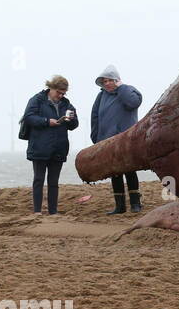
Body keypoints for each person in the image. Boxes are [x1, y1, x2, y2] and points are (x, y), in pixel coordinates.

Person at [90, 65, 144, 214]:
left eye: (110, 80)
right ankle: (119, 206)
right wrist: (96, 137)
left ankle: (135, 204)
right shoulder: (101, 96)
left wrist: (121, 88)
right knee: (115, 172)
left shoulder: (128, 91)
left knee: (129, 170)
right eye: (104, 81)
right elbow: (95, 117)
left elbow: (133, 103)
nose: (107, 83)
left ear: (116, 80)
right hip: (108, 140)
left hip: (127, 140)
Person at [23, 76, 80, 215]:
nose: (60, 96)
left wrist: (71, 120)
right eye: (58, 92)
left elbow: (74, 125)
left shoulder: (67, 104)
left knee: (54, 182)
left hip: (59, 148)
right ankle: (37, 211)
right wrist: (47, 121)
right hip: (39, 147)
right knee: (38, 179)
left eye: (63, 93)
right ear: (51, 88)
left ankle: (53, 212)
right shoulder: (37, 100)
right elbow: (28, 117)